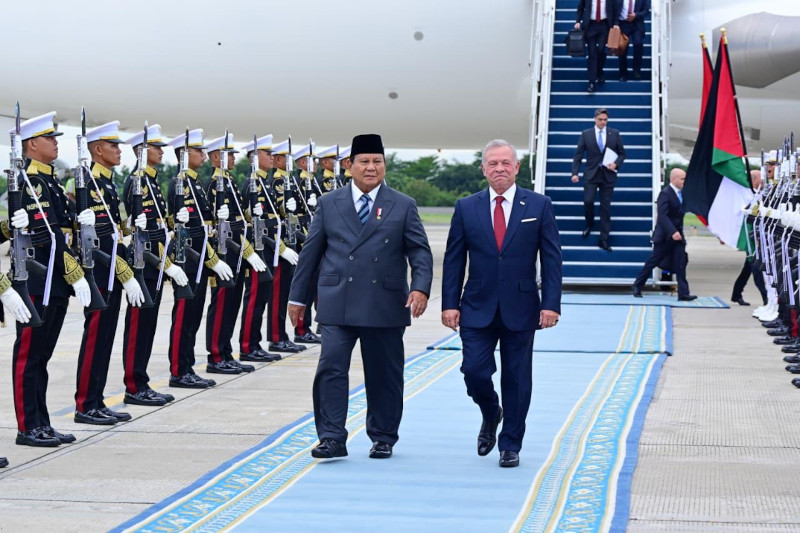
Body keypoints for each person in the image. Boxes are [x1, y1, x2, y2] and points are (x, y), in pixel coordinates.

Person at [288, 134, 433, 460]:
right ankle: (331, 437)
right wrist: (298, 298)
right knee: (331, 369)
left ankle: (383, 436)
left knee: (384, 373)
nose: (371, 167)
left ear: (384, 166)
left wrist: (420, 287)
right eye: (364, 162)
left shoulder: (403, 204)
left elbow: (419, 253)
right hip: (337, 299)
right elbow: (311, 255)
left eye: (377, 162)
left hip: (384, 302)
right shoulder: (329, 203)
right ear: (350, 166)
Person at [441, 139, 562, 468]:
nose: (499, 169)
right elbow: (454, 260)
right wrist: (449, 304)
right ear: (483, 169)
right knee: (474, 371)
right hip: (476, 307)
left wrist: (551, 304)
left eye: (506, 163)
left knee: (517, 378)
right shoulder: (466, 207)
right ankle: (491, 411)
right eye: (493, 164)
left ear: (517, 167)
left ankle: (511, 444)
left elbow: (552, 260)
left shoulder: (538, 206)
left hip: (522, 307)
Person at [8, 111, 95, 446]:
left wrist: (79, 217)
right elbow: (46, 236)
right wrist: (75, 272)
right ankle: (28, 426)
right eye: (50, 138)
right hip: (36, 281)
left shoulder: (51, 182)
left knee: (42, 357)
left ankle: (42, 422)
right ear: (32, 144)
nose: (56, 144)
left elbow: (61, 228)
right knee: (29, 357)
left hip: (53, 282)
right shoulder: (30, 181)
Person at [74, 121, 145, 424]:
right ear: (97, 149)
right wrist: (125, 272)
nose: (119, 150)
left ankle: (97, 400)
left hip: (111, 273)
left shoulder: (108, 184)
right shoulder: (87, 183)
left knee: (105, 339)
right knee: (95, 337)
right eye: (113, 145)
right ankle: (85, 404)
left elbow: (113, 234)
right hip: (98, 274)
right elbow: (93, 240)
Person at [122, 124, 189, 406]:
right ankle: (134, 385)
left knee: (147, 327)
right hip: (143, 266)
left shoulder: (150, 180)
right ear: (142, 151)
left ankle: (142, 381)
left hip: (156, 267)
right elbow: (143, 234)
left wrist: (176, 220)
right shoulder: (136, 181)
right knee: (138, 328)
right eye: (157, 147)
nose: (162, 152)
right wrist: (168, 263)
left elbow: (158, 225)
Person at [166, 129, 233, 388]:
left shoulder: (194, 183)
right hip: (187, 259)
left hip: (200, 259)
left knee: (193, 318)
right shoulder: (179, 183)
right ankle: (178, 371)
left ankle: (187, 367)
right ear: (184, 155)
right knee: (183, 318)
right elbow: (181, 227)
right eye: (197, 150)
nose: (203, 154)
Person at [204, 134, 268, 374]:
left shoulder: (229, 182)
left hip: (237, 253)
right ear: (215, 157)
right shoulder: (213, 185)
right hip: (223, 254)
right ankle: (216, 356)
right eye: (228, 155)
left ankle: (226, 352)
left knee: (231, 306)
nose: (232, 158)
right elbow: (214, 227)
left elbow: (240, 222)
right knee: (221, 305)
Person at [237, 134, 282, 363]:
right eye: (268, 154)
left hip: (268, 247)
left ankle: (255, 343)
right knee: (254, 298)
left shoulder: (265, 183)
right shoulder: (251, 184)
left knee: (262, 298)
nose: (272, 158)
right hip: (255, 249)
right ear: (255, 158)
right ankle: (247, 346)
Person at [632, 168, 696, 301]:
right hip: (665, 236)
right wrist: (672, 232)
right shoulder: (665, 194)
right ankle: (637, 285)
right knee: (653, 261)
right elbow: (662, 216)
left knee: (680, 262)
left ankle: (683, 293)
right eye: (683, 179)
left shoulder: (682, 194)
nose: (685, 181)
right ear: (674, 179)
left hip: (678, 236)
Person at [266, 139, 304, 353]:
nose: (290, 162)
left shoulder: (288, 181)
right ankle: (275, 336)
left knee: (285, 293)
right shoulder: (277, 182)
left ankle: (281, 334)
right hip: (278, 245)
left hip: (289, 240)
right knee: (278, 293)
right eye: (285, 158)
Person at [571, 108, 626, 251]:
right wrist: (575, 173)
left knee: (605, 207)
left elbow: (622, 154)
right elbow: (578, 155)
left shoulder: (614, 133)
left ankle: (604, 238)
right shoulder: (586, 134)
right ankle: (589, 223)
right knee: (588, 201)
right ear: (595, 119)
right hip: (591, 174)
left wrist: (616, 164)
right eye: (600, 119)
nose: (603, 122)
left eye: (605, 120)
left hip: (608, 174)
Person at [730, 169, 768, 306]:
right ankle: (766, 299)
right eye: (760, 179)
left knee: (748, 268)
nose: (763, 181)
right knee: (756, 269)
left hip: (756, 237)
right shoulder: (747, 195)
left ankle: (736, 294)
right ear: (755, 180)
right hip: (751, 238)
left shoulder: (757, 194)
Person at [574, 0, 620, 92]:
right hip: (590, 25)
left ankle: (599, 71)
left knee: (601, 50)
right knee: (592, 53)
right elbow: (581, 7)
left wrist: (616, 24)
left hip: (604, 25)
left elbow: (615, 9)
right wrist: (578, 21)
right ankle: (592, 82)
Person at [617, 0, 650, 81]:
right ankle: (623, 73)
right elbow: (614, 8)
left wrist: (636, 15)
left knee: (638, 44)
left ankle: (636, 70)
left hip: (637, 24)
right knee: (622, 48)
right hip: (623, 23)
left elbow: (646, 10)